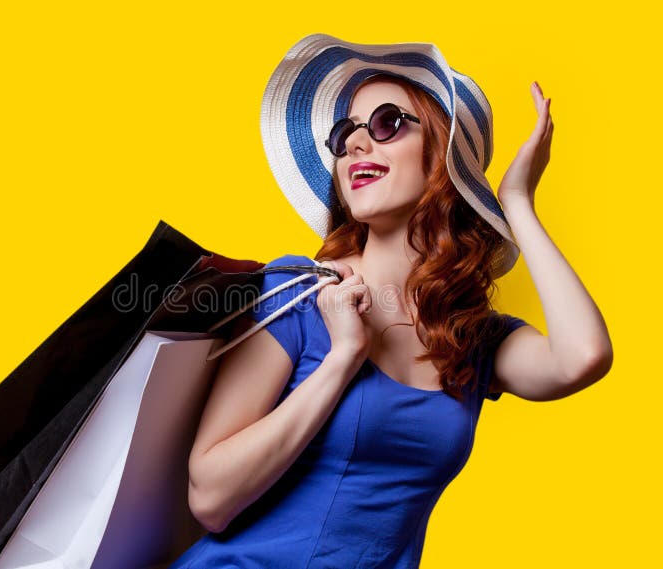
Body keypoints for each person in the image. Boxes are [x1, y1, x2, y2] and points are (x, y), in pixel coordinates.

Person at [168, 34, 612, 568]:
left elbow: (583, 357)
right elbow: (210, 499)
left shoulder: (470, 338)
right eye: (345, 134)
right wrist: (342, 360)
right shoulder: (302, 294)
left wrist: (516, 202)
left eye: (386, 124)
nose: (356, 144)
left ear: (442, 158)